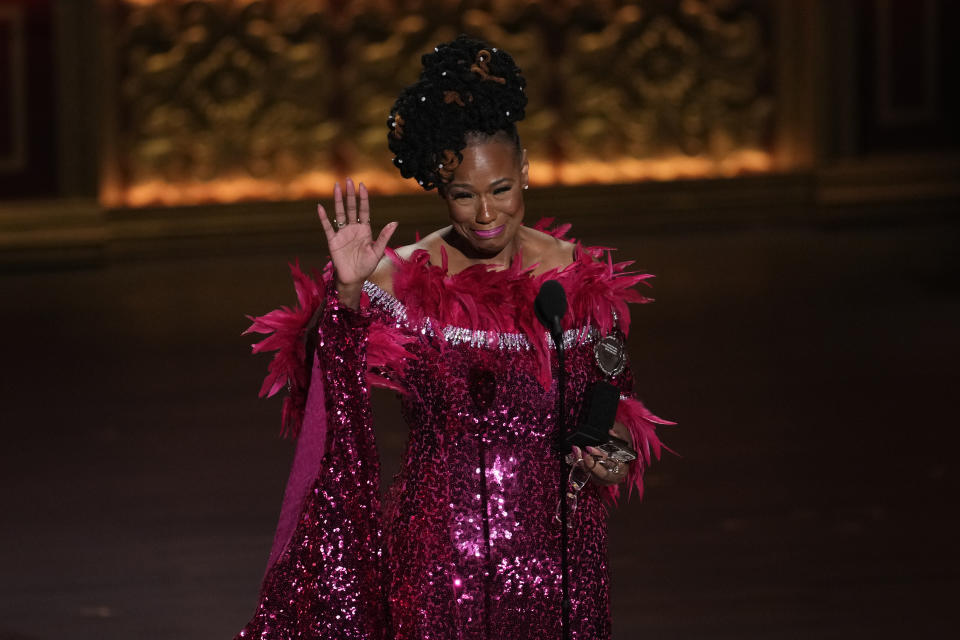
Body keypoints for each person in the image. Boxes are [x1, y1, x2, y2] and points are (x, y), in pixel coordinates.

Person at [235, 35, 670, 640]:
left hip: (558, 561)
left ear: (524, 171)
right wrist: (349, 296)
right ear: (441, 192)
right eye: (463, 195)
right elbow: (319, 391)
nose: (486, 215)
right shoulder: (401, 276)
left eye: (500, 190)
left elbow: (616, 413)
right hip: (438, 559)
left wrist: (610, 459)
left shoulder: (579, 277)